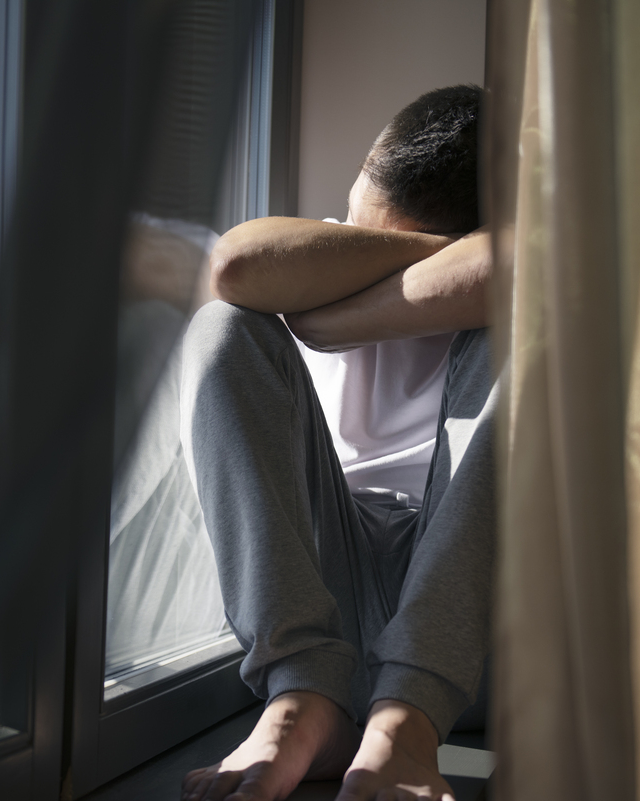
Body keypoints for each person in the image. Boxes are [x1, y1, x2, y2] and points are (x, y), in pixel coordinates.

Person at [179, 85, 495, 801]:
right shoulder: (322, 249)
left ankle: (404, 725)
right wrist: (421, 263)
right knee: (220, 328)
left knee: (522, 332)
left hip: (460, 635)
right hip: (328, 618)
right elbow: (233, 268)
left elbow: (530, 261)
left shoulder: (521, 261)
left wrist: (336, 318)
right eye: (364, 228)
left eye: (394, 238)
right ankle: (303, 698)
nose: (358, 239)